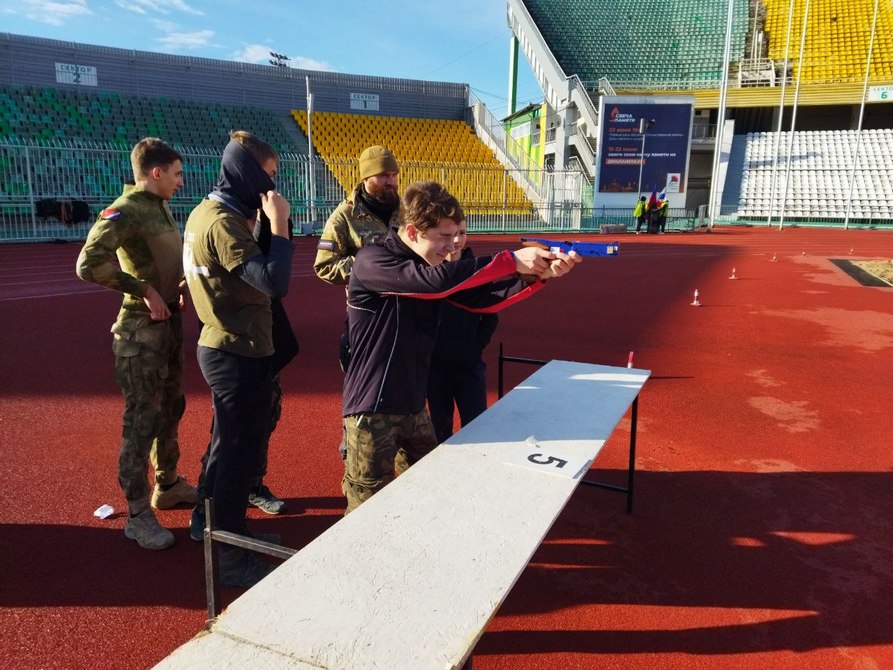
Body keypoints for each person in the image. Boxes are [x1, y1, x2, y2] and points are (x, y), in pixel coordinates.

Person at [341, 180, 581, 513]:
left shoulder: (428, 267)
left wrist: (537, 276)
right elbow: (434, 284)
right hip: (371, 411)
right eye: (443, 236)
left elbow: (481, 300)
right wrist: (510, 260)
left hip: (413, 407)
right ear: (411, 232)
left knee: (425, 496)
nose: (453, 244)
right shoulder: (373, 259)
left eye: (457, 234)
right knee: (366, 511)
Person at [183, 130, 293, 588]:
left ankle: (215, 527)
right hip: (235, 350)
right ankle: (229, 557)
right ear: (247, 173)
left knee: (226, 449)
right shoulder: (223, 223)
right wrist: (280, 226)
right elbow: (273, 281)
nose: (272, 187)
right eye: (268, 176)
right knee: (236, 458)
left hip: (230, 344)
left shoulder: (207, 211)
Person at [75, 137, 197, 551]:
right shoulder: (124, 210)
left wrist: (173, 288)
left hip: (168, 325)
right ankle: (138, 514)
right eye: (177, 174)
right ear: (155, 172)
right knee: (142, 419)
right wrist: (143, 289)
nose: (181, 182)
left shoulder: (158, 205)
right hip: (140, 333)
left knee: (171, 408)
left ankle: (169, 485)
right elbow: (88, 263)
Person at [313, 145, 400, 458]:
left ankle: (398, 439)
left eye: (394, 174)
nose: (391, 181)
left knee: (401, 378)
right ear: (366, 177)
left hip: (405, 312)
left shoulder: (406, 210)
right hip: (366, 317)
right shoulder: (345, 216)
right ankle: (352, 442)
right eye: (383, 175)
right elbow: (324, 266)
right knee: (361, 381)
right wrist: (365, 266)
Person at [426, 218, 498, 444]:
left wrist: (476, 346)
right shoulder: (428, 272)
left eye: (463, 233)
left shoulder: (478, 271)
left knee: (477, 427)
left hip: (469, 366)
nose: (457, 240)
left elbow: (490, 314)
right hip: (435, 369)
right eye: (451, 234)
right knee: (439, 430)